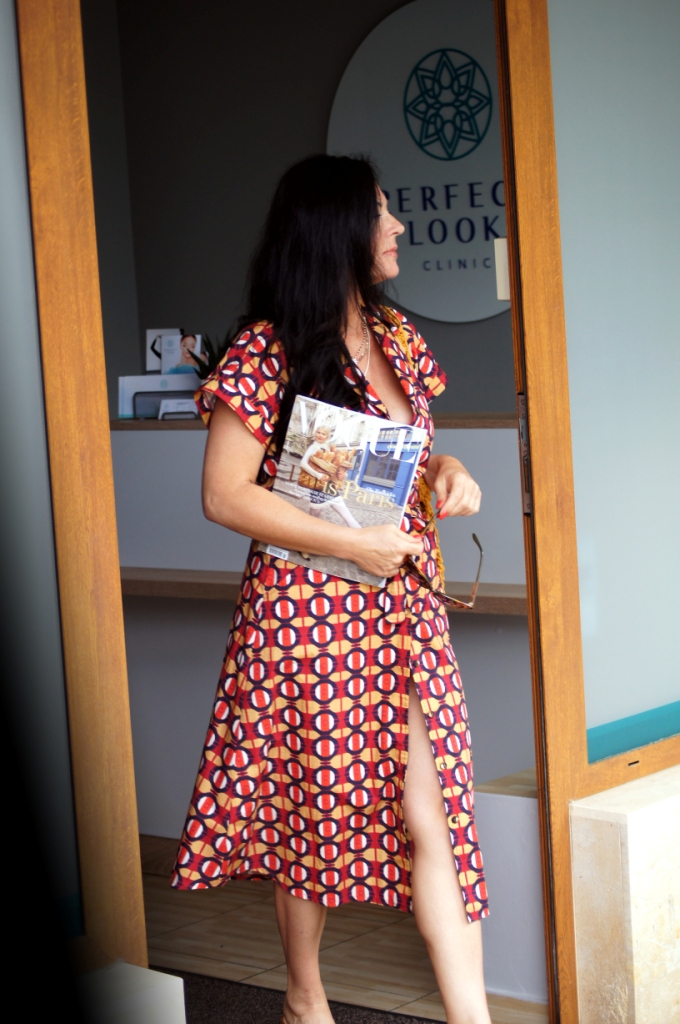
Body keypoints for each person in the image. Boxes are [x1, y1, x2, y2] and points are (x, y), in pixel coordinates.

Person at [172, 154, 490, 1024]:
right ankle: (304, 997)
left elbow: (412, 454)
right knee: (313, 807)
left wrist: (448, 472)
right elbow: (222, 494)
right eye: (380, 213)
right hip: (305, 618)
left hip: (404, 611)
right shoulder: (265, 349)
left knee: (437, 811)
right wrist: (356, 543)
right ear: (336, 228)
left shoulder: (398, 337)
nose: (396, 228)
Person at [298, 425, 361, 528]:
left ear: (327, 436)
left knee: (320, 513)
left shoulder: (328, 449)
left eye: (323, 434)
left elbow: (335, 468)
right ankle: (358, 530)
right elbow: (303, 464)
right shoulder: (314, 447)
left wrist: (344, 474)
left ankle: (358, 530)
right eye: (318, 432)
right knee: (315, 514)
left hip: (327, 483)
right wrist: (318, 475)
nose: (320, 435)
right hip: (318, 484)